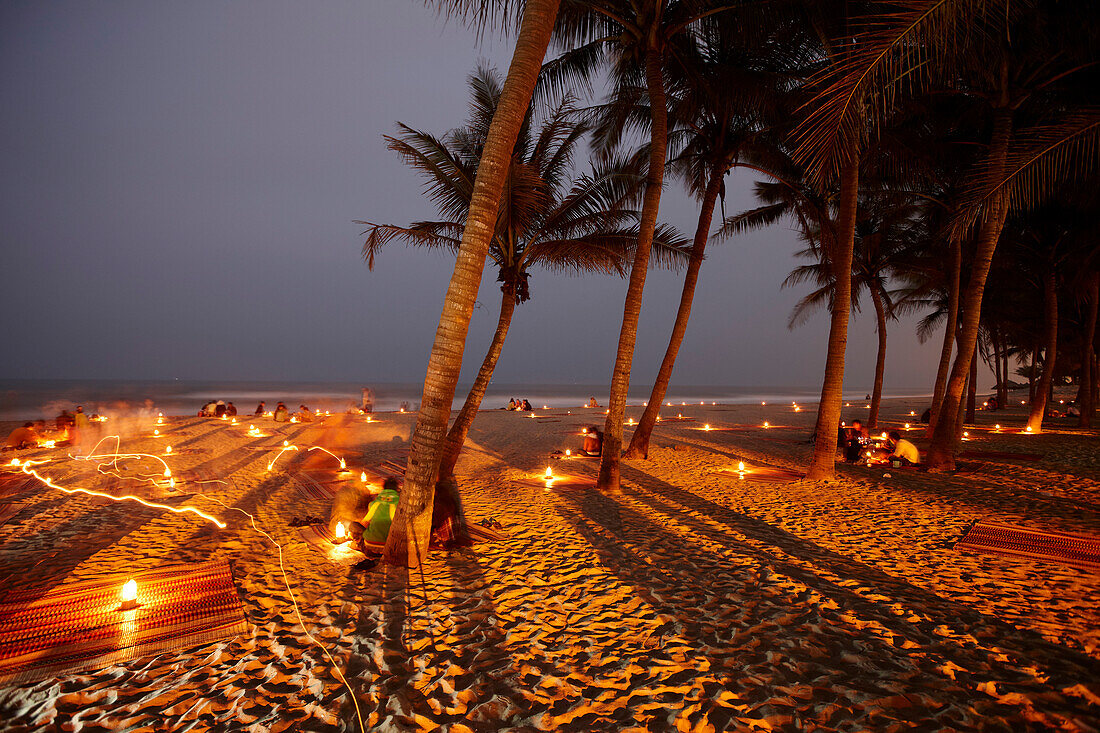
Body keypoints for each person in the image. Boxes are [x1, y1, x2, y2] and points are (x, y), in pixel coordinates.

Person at [349, 478, 401, 570]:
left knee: (353, 525)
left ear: (383, 489)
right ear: (396, 490)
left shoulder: (374, 504)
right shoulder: (400, 504)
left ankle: (357, 544)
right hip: (390, 549)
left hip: (370, 549)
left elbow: (365, 522)